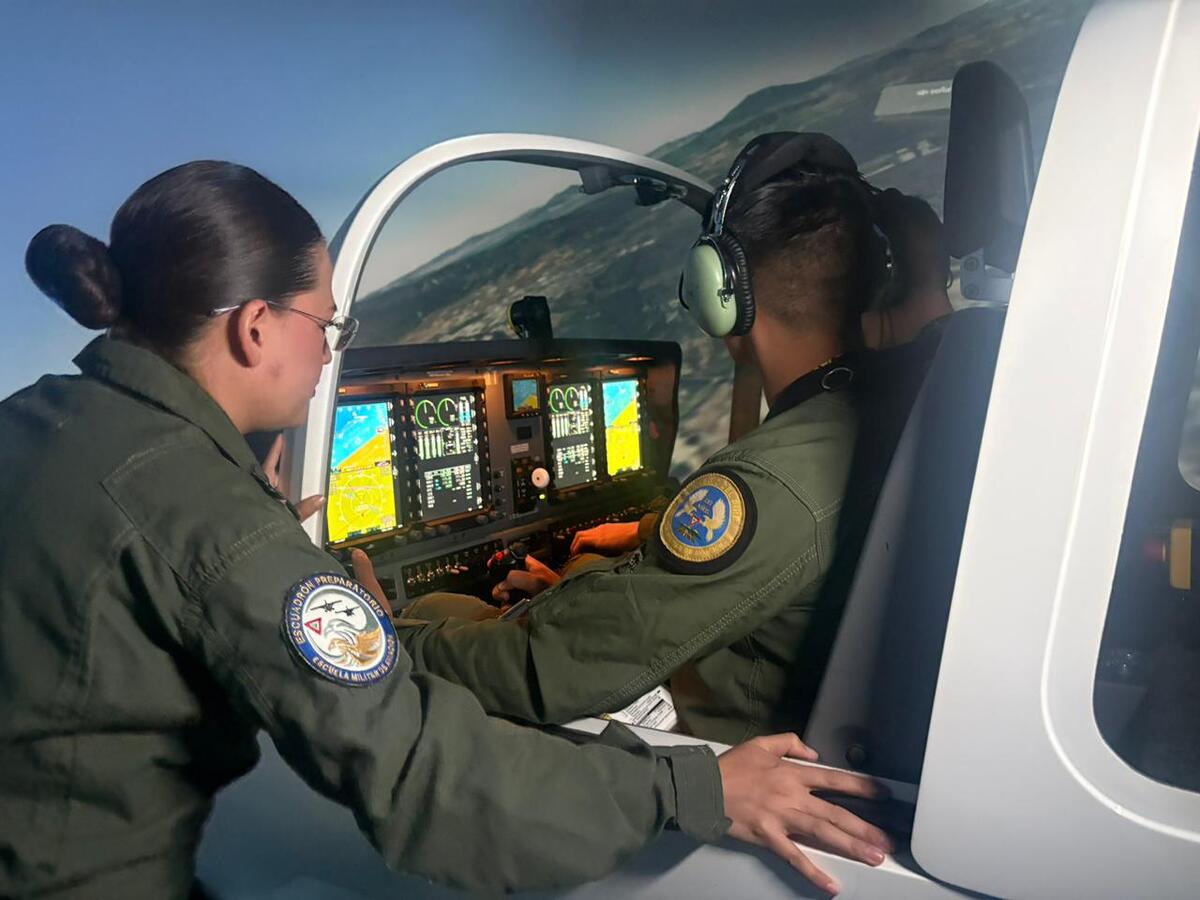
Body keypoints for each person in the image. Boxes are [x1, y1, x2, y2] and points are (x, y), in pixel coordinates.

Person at [0, 160, 895, 899]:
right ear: (257, 327)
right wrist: (693, 786)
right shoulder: (219, 528)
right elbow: (428, 782)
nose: (330, 349)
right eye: (327, 322)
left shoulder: (38, 419)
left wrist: (247, 517)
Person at [386, 133, 899, 746]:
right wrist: (620, 557)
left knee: (440, 615)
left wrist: (382, 633)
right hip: (787, 695)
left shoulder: (769, 484)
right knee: (575, 573)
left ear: (721, 296)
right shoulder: (886, 404)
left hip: (720, 741)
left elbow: (546, 669)